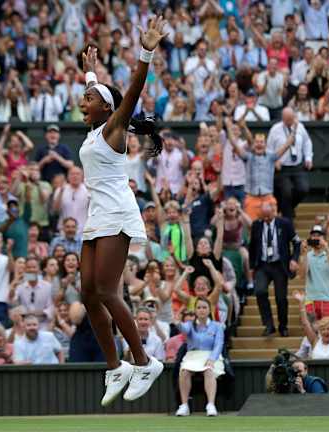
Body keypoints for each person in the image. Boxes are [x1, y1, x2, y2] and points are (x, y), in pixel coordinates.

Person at [76, 19, 167, 407]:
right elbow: (106, 95)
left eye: (89, 98)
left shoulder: (115, 127)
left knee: (107, 291)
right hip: (98, 214)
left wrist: (146, 52)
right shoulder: (97, 130)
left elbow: (129, 92)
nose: (83, 101)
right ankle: (115, 367)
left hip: (117, 213)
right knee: (87, 293)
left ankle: (145, 362)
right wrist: (91, 73)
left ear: (107, 109)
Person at [248, 201, 301, 337]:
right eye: (263, 217)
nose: (266, 220)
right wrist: (251, 266)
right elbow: (252, 246)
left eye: (268, 217)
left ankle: (283, 326)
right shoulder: (256, 225)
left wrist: (294, 259)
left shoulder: (285, 223)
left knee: (281, 298)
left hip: (279, 264)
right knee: (259, 291)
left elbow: (297, 242)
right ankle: (268, 325)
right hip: (263, 265)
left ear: (274, 212)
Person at [174, 298, 225, 418]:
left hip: (211, 355)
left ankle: (211, 405)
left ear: (209, 310)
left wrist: (212, 358)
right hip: (193, 356)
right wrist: (178, 322)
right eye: (199, 308)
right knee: (185, 371)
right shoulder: (190, 325)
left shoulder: (217, 326)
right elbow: (183, 329)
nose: (201, 310)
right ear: (195, 310)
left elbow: (219, 344)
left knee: (209, 370)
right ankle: (184, 405)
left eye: (204, 307)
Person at [267, 107, 313, 219]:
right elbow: (269, 148)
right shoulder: (275, 129)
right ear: (282, 118)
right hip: (282, 168)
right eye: (287, 119)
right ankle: (288, 219)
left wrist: (308, 158)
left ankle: (287, 208)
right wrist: (275, 160)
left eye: (291, 119)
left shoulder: (300, 127)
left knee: (303, 189)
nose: (289, 122)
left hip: (297, 166)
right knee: (286, 192)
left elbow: (307, 142)